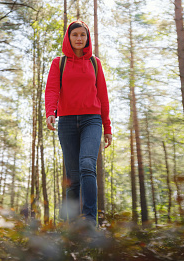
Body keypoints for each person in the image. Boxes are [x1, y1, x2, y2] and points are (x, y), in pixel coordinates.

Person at [45, 20, 112, 225]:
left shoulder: (95, 62)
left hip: (92, 120)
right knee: (73, 176)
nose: (79, 38)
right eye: (75, 35)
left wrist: (107, 126)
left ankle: (90, 222)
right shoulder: (59, 62)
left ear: (87, 38)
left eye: (83, 35)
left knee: (87, 166)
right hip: (66, 122)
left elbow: (102, 94)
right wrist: (50, 111)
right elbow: (52, 89)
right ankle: (72, 226)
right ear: (69, 37)